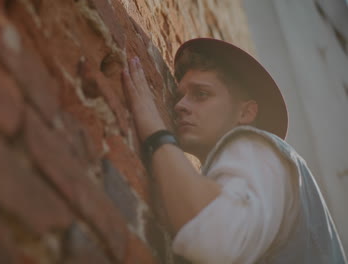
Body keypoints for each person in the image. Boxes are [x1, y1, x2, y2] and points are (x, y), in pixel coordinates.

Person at [122, 38, 346, 263]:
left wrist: (156, 132)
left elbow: (213, 239)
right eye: (180, 96)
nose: (180, 106)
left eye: (201, 94)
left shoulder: (255, 146)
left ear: (246, 113)